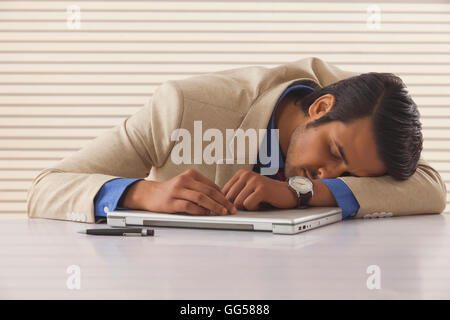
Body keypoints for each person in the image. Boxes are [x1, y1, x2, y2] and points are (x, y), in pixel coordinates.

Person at [26, 57, 447, 223]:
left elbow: (431, 189)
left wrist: (302, 193)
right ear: (320, 109)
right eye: (334, 153)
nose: (329, 173)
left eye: (350, 174)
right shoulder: (183, 107)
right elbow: (46, 187)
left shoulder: (368, 115)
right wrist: (141, 193)